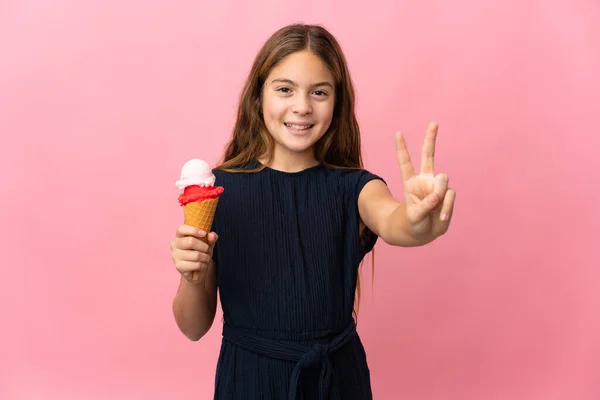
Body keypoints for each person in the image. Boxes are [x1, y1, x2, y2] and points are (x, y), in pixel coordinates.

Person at [170, 23, 455, 400]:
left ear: (337, 103)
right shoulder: (217, 191)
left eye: (319, 92)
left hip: (336, 382)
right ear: (259, 96)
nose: (302, 106)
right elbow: (193, 328)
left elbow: (394, 221)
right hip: (250, 381)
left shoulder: (356, 187)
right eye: (285, 89)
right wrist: (192, 276)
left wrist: (420, 222)